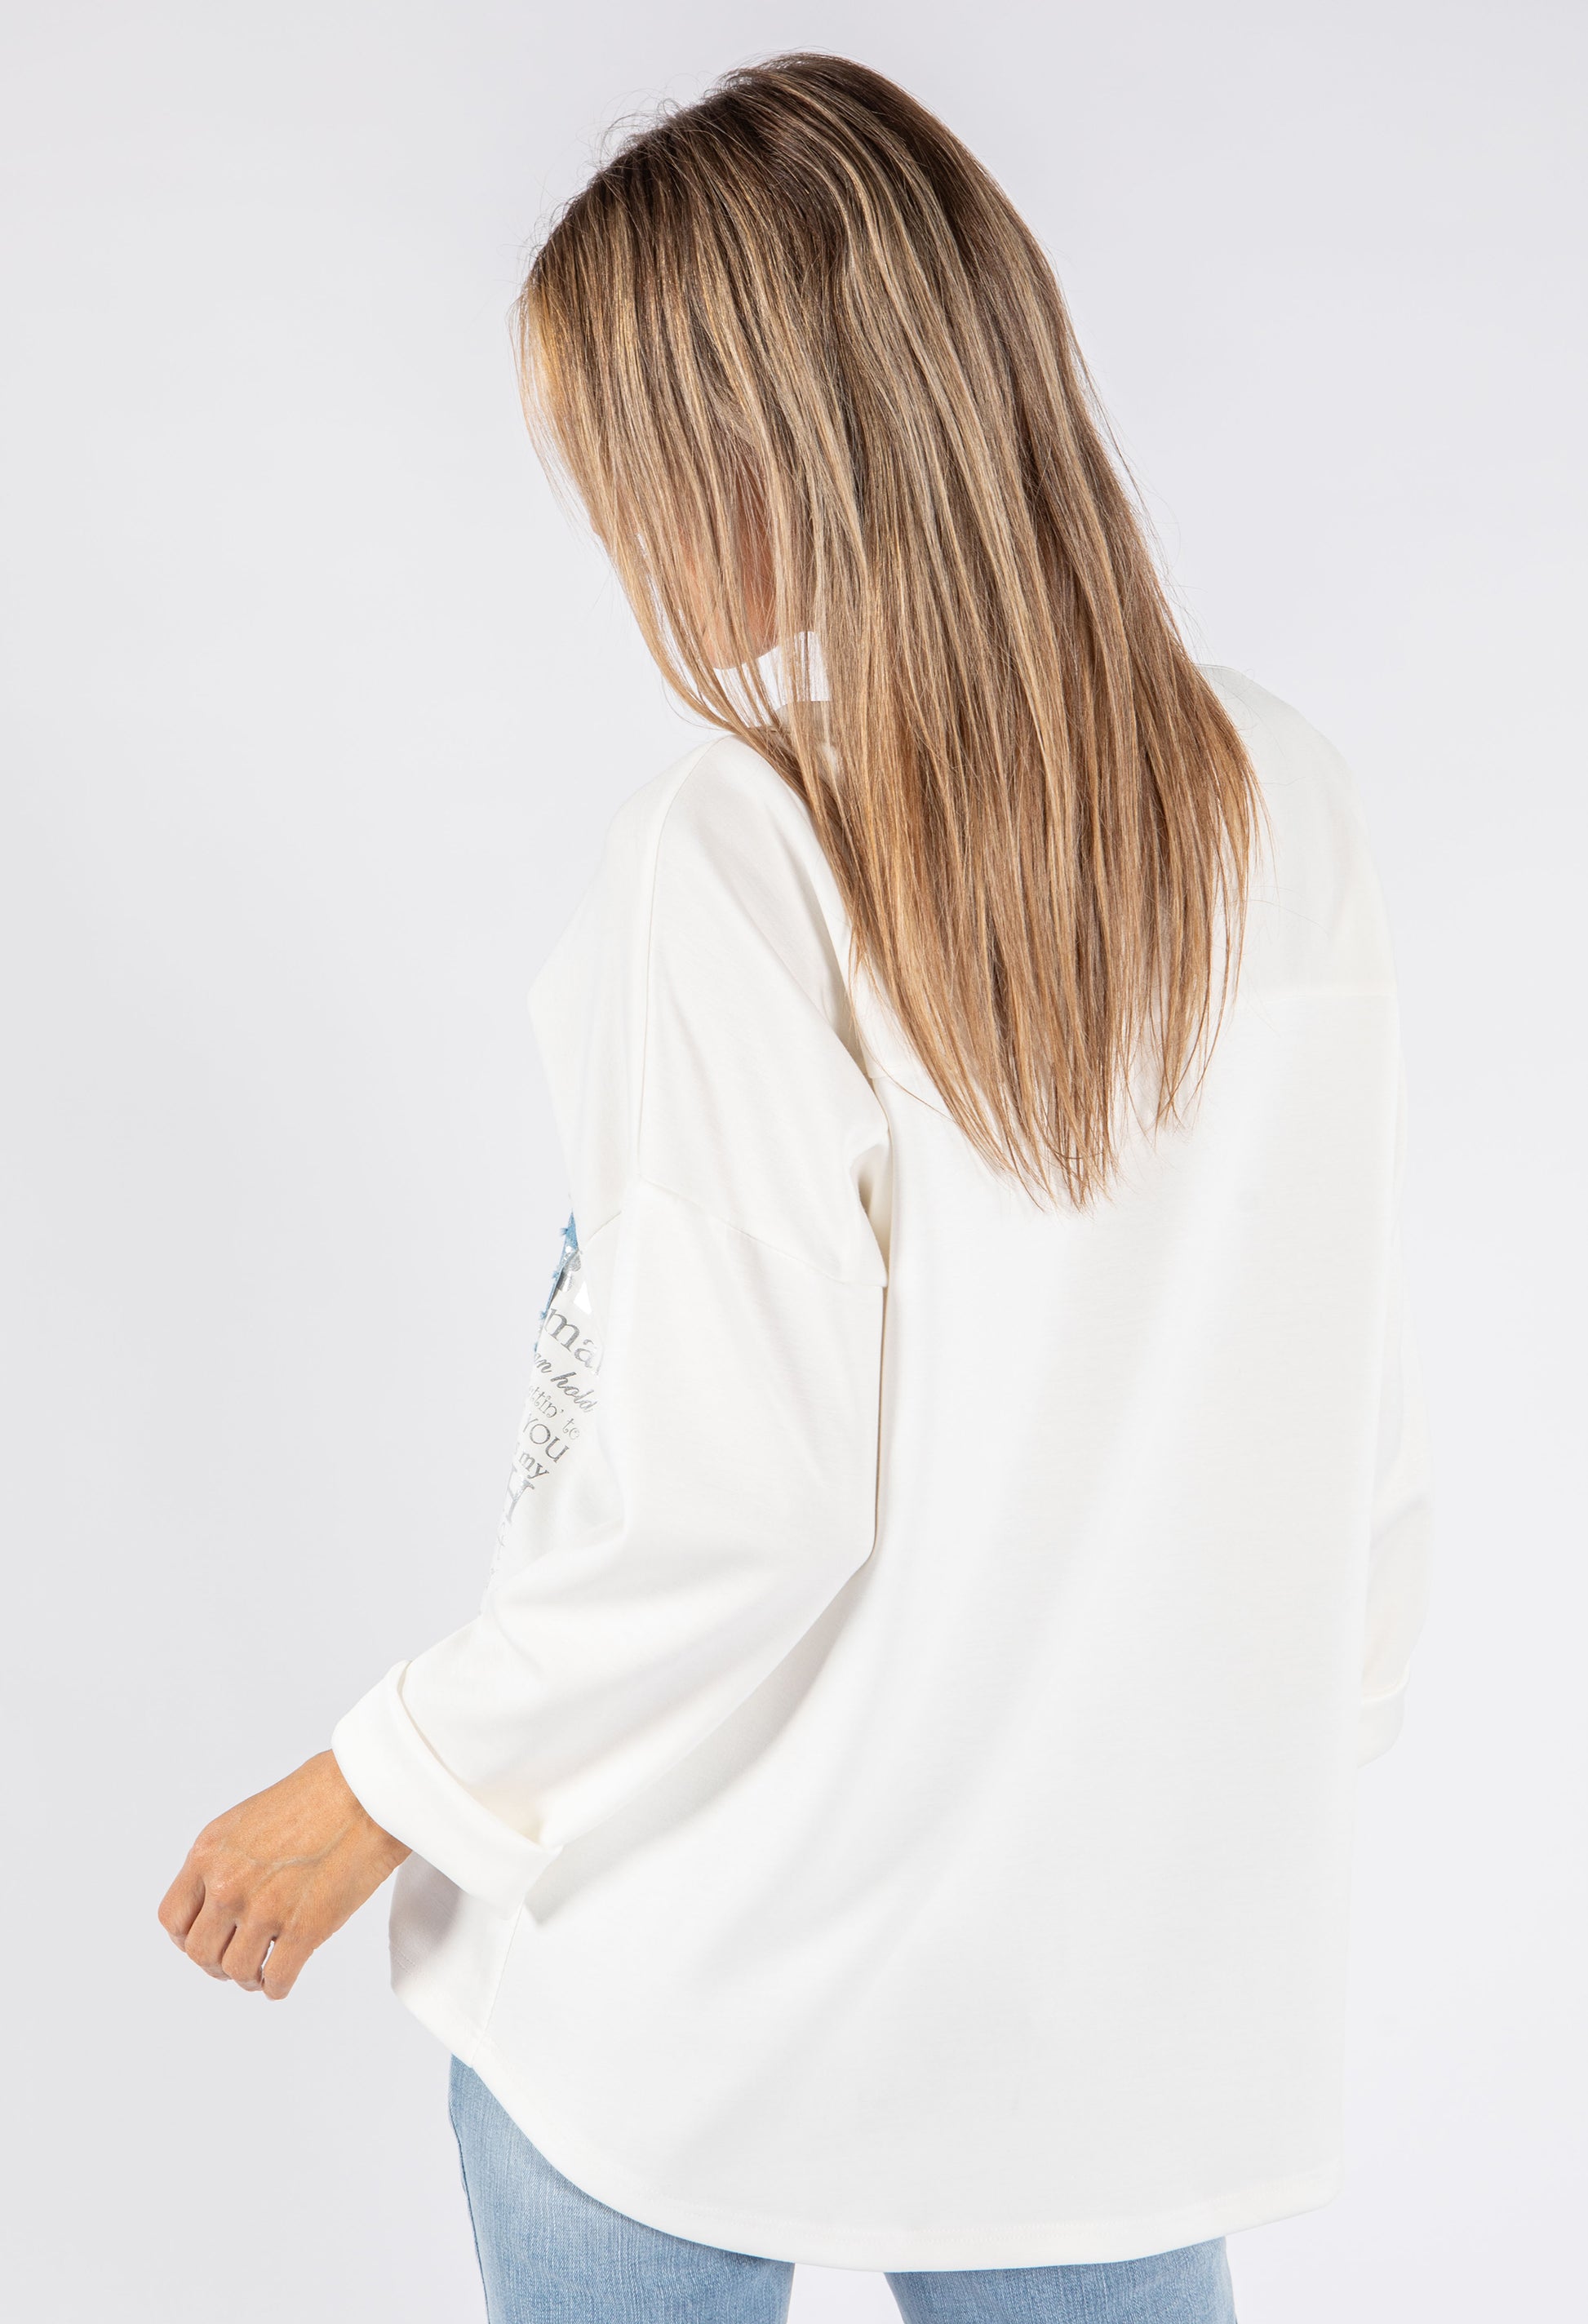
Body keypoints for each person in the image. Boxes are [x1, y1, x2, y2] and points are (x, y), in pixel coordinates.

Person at [157, 52, 1433, 2324]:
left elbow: (721, 1501)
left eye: (621, 462)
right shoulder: (1286, 804)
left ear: (763, 452)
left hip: (694, 1987)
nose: (608, 530)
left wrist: (377, 1785)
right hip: (1097, 2017)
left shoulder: (741, 855)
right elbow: (1349, 1425)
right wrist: (1211, 1811)